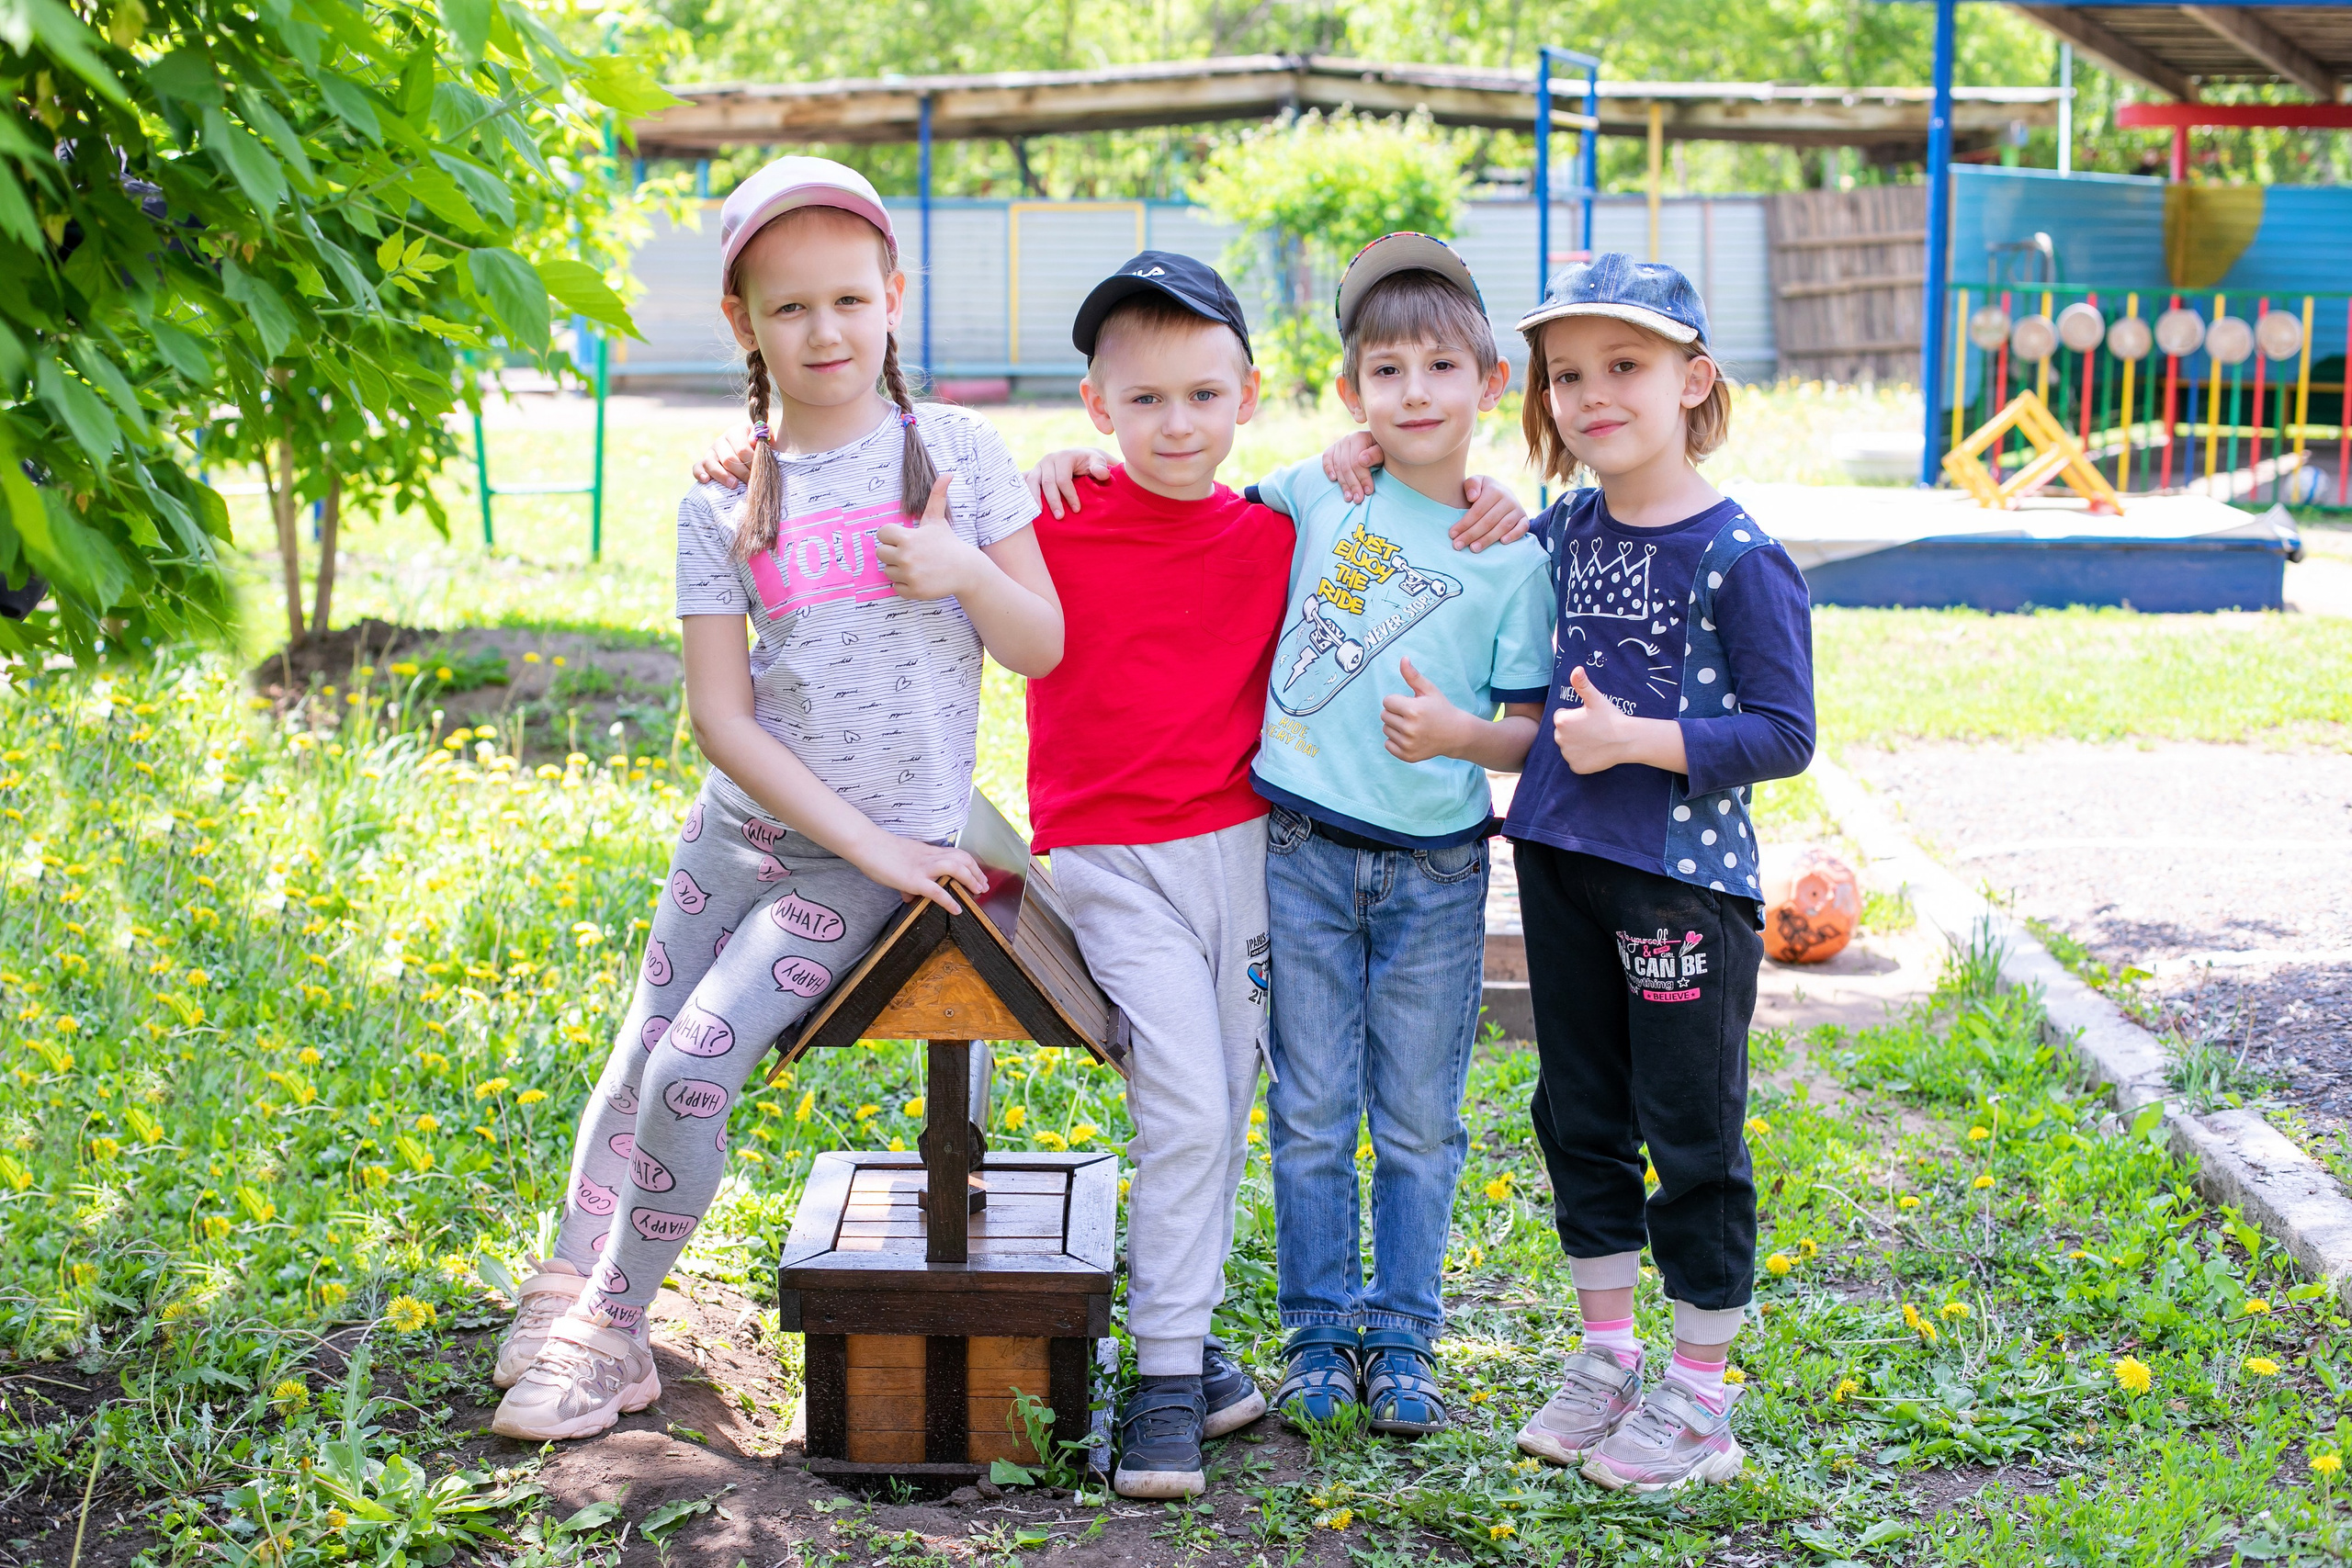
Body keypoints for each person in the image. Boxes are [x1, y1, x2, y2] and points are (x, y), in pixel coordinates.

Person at [487, 156, 1064, 1442]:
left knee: (696, 1062)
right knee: (638, 1048)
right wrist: (857, 836)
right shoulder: (721, 494)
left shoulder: (956, 453)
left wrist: (964, 564)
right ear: (744, 321)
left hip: (866, 866)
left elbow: (1041, 644)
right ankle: (570, 1277)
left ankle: (615, 1337)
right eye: (791, 307)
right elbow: (719, 715)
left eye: (850, 300)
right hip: (742, 837)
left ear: (895, 298)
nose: (827, 331)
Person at [1498, 254, 1814, 1491]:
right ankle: (1608, 1358)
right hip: (1558, 862)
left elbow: (1785, 734)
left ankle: (1699, 1396)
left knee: (1691, 1131)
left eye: (1623, 367)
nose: (1592, 394)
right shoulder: (1560, 529)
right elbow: (1466, 578)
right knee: (1578, 1115)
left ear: (1693, 380)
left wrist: (1641, 741)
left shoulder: (1741, 556)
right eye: (1567, 373)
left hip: (1680, 887)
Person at [1246, 234, 1556, 1437]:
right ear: (1351, 394)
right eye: (1387, 372)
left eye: (1439, 369)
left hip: (1436, 868)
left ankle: (1406, 1339)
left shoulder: (1511, 551)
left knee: (1419, 1119)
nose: (1413, 394)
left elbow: (1531, 733)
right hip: (1305, 851)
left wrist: (1459, 735)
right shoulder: (1322, 490)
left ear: (1487, 384)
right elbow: (1194, 502)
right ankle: (1322, 1334)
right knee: (1315, 1108)